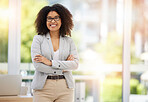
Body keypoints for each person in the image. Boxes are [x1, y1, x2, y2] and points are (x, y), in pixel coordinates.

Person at [31, 4, 79, 102]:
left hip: (65, 87)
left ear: (63, 20)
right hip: (43, 88)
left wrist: (50, 62)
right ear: (44, 21)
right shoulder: (38, 39)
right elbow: (38, 66)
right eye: (49, 18)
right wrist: (64, 67)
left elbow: (75, 64)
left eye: (56, 18)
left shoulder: (69, 41)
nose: (53, 21)